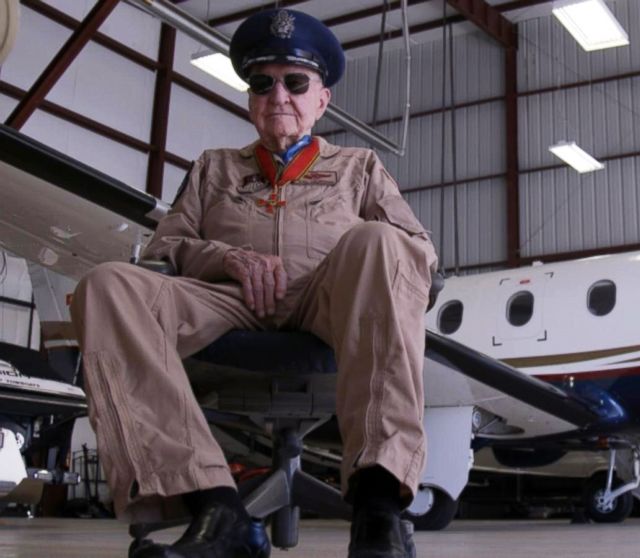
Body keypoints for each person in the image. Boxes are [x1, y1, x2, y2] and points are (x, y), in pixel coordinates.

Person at [70, 9, 435, 558]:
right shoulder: (214, 168)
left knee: (382, 242)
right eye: (262, 83)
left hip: (325, 297)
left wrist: (362, 255)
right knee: (107, 285)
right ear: (249, 100)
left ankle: (378, 502)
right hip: (226, 300)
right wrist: (225, 257)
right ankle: (217, 509)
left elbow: (419, 251)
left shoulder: (359, 167)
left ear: (321, 100)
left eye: (295, 82)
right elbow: (166, 250)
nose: (278, 95)